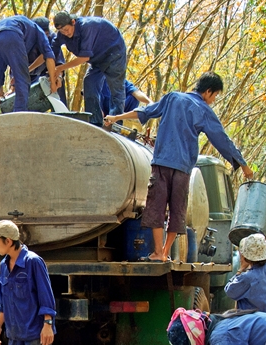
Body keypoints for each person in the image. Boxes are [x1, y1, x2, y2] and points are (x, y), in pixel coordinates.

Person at [104, 73, 252, 262]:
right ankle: (165, 252)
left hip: (162, 163)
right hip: (183, 168)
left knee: (156, 207)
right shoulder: (205, 111)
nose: (213, 100)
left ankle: (158, 252)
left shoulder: (172, 97)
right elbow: (222, 140)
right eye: (214, 96)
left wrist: (116, 117)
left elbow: (146, 111)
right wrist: (243, 164)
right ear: (208, 92)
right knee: (177, 210)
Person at [51, 12, 128, 126]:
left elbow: (84, 57)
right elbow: (52, 51)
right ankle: (94, 120)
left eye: (67, 29)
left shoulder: (87, 27)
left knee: (116, 88)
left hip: (114, 54)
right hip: (97, 59)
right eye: (62, 31)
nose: (66, 33)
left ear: (73, 22)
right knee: (89, 83)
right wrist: (53, 71)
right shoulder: (62, 34)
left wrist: (61, 68)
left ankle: (115, 124)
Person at [0, 15, 60, 116]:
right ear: (46, 32)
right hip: (12, 35)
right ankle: (18, 119)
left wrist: (0, 89)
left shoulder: (25, 26)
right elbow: (49, 57)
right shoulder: (39, 32)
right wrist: (53, 83)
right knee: (23, 82)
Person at [224, 229, 266, 315]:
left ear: (245, 257)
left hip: (252, 325)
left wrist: (241, 269)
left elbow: (229, 291)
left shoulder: (247, 278)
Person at [32, 17, 66, 102]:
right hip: (30, 75)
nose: (45, 38)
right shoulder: (26, 39)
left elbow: (58, 62)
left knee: (58, 82)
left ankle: (60, 113)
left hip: (48, 74)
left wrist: (58, 77)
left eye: (46, 34)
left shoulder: (53, 38)